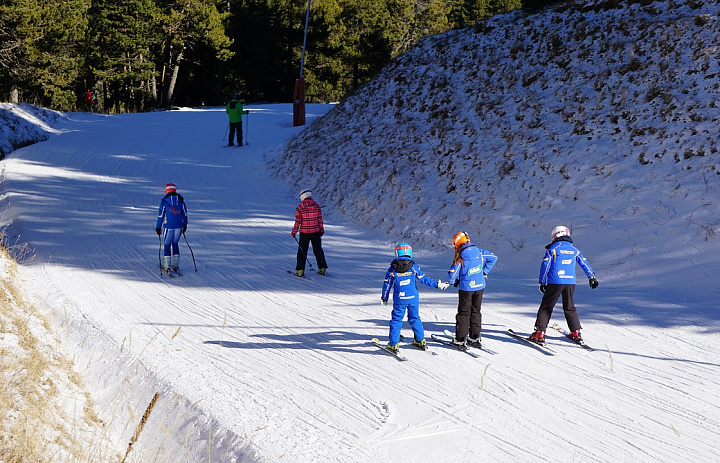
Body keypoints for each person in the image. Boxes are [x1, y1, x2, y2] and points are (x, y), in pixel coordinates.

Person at [529, 225, 599, 345]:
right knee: (569, 306)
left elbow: (545, 266)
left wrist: (542, 281)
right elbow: (584, 263)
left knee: (546, 306)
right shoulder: (574, 250)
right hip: (570, 282)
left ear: (555, 236)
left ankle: (539, 333)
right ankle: (576, 332)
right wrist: (591, 277)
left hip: (555, 282)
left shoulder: (553, 249)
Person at [381, 243, 449, 352]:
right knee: (414, 318)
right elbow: (424, 279)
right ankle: (420, 340)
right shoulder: (413, 267)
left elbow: (387, 284)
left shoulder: (393, 269)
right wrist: (437, 284)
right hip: (413, 298)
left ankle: (393, 344)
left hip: (400, 300)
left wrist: (384, 298)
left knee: (397, 320)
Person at [446, 231, 498, 351]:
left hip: (466, 288)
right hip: (480, 286)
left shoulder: (461, 255)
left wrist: (454, 282)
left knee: (463, 313)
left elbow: (453, 273)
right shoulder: (479, 251)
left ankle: (460, 339)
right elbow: (493, 258)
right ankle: (475, 337)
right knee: (476, 311)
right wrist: (484, 271)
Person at [291, 189, 328, 276]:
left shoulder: (300, 208)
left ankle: (299, 270)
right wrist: (321, 230)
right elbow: (320, 220)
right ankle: (322, 268)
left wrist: (294, 232)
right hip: (316, 232)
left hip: (304, 233)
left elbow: (298, 221)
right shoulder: (316, 206)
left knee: (302, 251)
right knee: (318, 250)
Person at [155, 183, 188, 272]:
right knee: (175, 243)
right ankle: (176, 265)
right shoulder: (181, 201)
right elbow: (184, 214)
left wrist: (158, 227)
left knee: (167, 244)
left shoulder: (164, 201)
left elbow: (161, 216)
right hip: (179, 226)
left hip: (168, 226)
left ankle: (167, 265)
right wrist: (185, 225)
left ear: (167, 191)